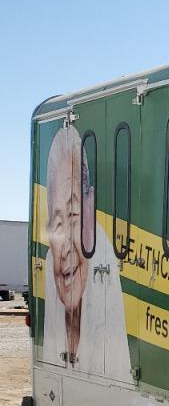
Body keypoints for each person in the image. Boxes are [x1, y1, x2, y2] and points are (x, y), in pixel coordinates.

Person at [42, 124, 132, 381]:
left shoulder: (103, 257)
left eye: (73, 215)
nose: (67, 247)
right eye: (58, 223)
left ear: (90, 209)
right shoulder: (51, 263)